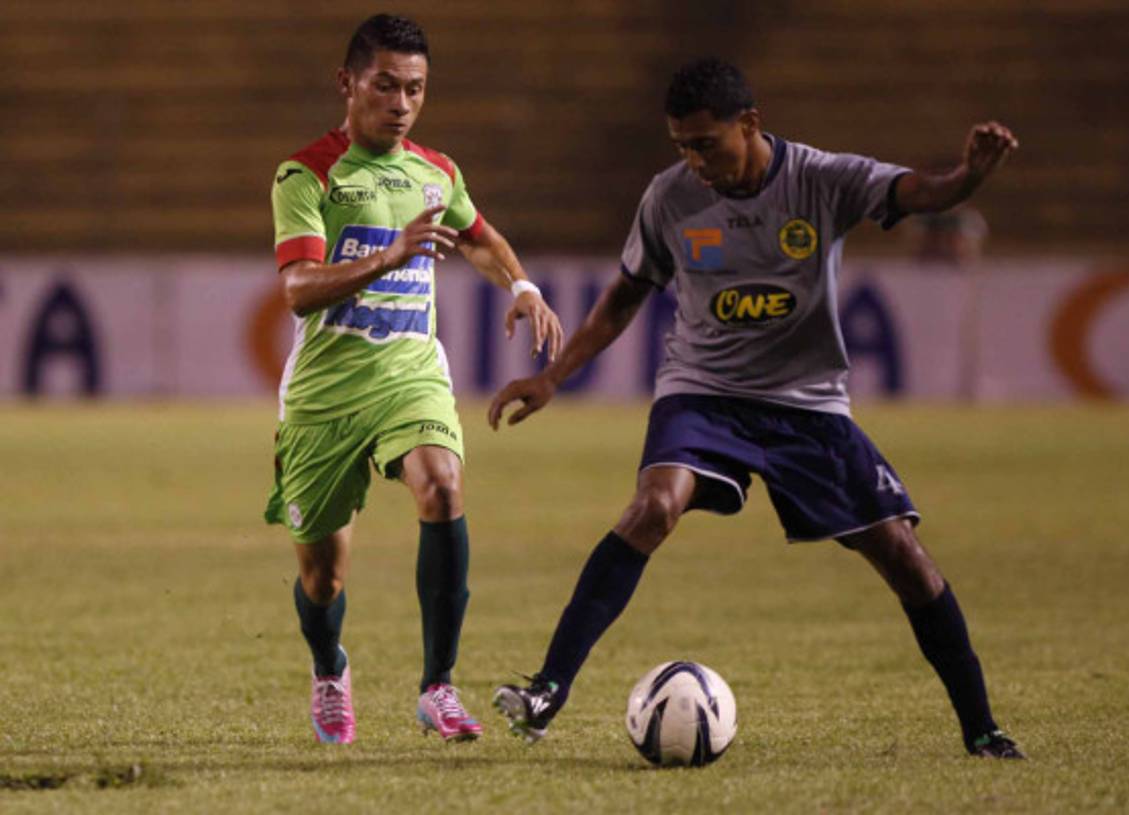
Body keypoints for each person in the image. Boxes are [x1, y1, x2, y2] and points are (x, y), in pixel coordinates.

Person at [488, 58, 1023, 759]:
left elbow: (917, 192)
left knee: (903, 555)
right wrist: (553, 377)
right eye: (682, 145)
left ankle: (982, 728)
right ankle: (547, 690)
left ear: (750, 123)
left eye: (705, 144)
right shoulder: (670, 197)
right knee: (652, 507)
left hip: (807, 402)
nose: (694, 161)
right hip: (703, 390)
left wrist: (968, 177)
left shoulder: (820, 179)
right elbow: (624, 296)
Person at [265, 14, 563, 745]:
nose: (401, 104)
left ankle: (439, 686)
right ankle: (330, 666)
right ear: (348, 83)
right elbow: (298, 288)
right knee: (323, 579)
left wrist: (522, 286)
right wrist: (389, 256)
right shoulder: (306, 175)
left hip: (411, 376)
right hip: (326, 396)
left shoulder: (437, 171)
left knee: (443, 486)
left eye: (416, 90)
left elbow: (479, 238)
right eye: (386, 86)